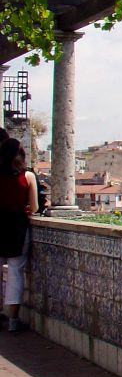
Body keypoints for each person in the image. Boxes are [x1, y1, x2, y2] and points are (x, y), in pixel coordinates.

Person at [1, 137, 38, 332]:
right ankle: (13, 320)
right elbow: (34, 207)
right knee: (15, 272)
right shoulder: (28, 176)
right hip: (17, 227)